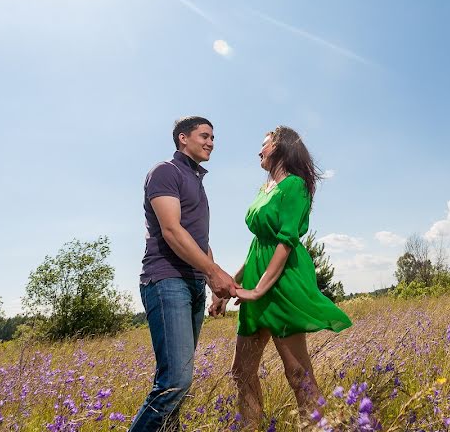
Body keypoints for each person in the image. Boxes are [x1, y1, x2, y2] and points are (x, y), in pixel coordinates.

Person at [222, 126, 352, 428]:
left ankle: (318, 426)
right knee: (242, 371)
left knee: (297, 373)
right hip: (257, 276)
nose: (259, 151)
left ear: (280, 147)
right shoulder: (264, 188)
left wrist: (257, 291)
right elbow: (259, 243)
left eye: (264, 145)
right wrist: (232, 283)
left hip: (283, 282)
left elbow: (285, 242)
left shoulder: (295, 186)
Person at [129, 116, 238, 432]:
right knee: (175, 382)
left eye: (213, 138)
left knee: (175, 384)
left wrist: (213, 285)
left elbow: (199, 241)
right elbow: (173, 231)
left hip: (192, 284)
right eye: (204, 135)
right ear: (182, 138)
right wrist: (214, 273)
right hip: (166, 281)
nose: (211, 142)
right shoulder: (166, 172)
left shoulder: (197, 182)